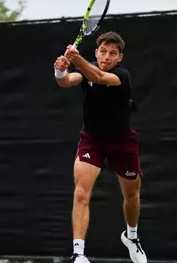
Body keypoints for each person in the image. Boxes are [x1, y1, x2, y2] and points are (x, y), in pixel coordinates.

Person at [53, 31, 147, 263]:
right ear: (96, 52)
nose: (106, 56)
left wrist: (76, 59)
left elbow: (98, 75)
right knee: (81, 193)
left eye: (112, 53)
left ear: (119, 58)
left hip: (122, 142)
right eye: (103, 52)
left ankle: (131, 236)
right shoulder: (87, 71)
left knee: (132, 194)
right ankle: (78, 253)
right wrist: (61, 69)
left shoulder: (121, 76)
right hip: (92, 140)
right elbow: (66, 81)